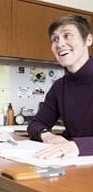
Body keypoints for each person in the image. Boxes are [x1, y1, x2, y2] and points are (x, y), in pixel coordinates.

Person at [28, 15, 93, 160]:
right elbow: (36, 124)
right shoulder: (59, 87)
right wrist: (48, 136)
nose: (59, 44)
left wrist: (79, 146)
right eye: (55, 39)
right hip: (73, 162)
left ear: (88, 40)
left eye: (67, 35)